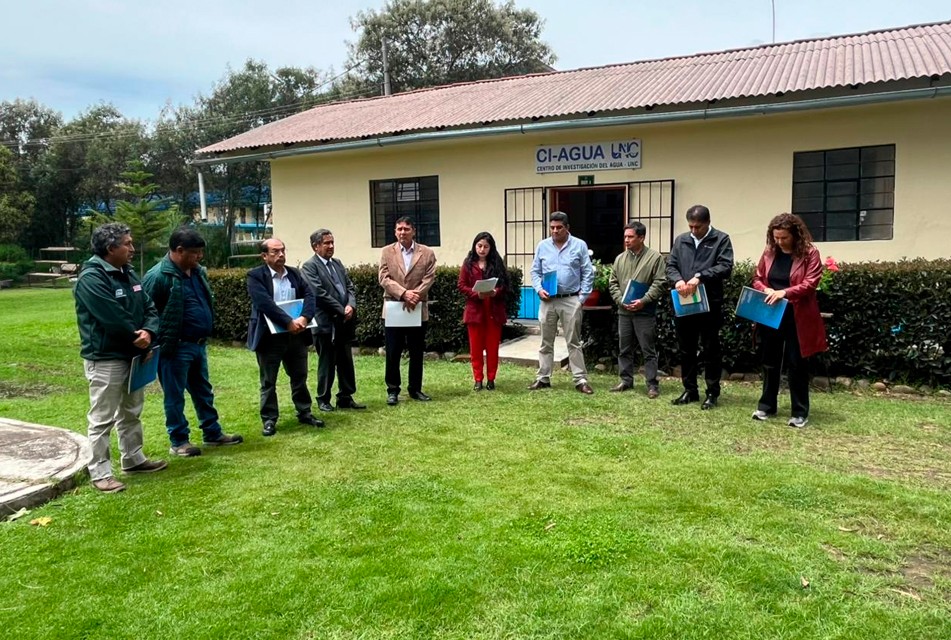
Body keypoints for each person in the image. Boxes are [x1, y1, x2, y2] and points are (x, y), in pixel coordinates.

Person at [74, 222, 167, 493]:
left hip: (134, 355)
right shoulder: (91, 278)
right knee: (102, 417)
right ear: (110, 247)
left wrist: (149, 331)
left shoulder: (128, 273)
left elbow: (148, 305)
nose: (132, 248)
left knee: (131, 410)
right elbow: (111, 317)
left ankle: (133, 458)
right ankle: (101, 472)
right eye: (127, 243)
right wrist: (136, 338)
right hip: (106, 359)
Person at [143, 227, 243, 457]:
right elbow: (146, 312)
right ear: (179, 251)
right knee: (175, 395)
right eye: (195, 252)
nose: (200, 257)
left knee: (203, 391)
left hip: (198, 344)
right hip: (175, 347)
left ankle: (212, 432)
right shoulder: (158, 276)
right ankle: (179, 440)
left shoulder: (198, 272)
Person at [752, 213, 828, 428]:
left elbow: (811, 283)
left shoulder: (810, 253)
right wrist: (765, 288)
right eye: (776, 237)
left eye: (784, 238)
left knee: (797, 364)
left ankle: (799, 412)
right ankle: (766, 406)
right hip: (771, 315)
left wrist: (784, 292)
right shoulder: (769, 253)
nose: (779, 242)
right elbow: (757, 277)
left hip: (797, 316)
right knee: (769, 362)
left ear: (795, 235)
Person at [247, 238, 323, 436]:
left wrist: (305, 318)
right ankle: (269, 419)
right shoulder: (255, 276)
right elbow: (264, 303)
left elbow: (309, 295)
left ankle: (304, 411)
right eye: (275, 252)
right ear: (264, 256)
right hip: (269, 338)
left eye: (282, 251)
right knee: (268, 381)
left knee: (300, 376)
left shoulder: (295, 273)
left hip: (296, 335)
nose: (280, 255)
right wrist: (288, 321)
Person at [666, 204, 734, 409]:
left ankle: (712, 393)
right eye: (691, 226)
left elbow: (725, 266)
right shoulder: (681, 240)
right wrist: (677, 280)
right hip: (684, 303)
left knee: (711, 349)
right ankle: (690, 390)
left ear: (707, 223)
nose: (694, 230)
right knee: (686, 349)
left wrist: (700, 277)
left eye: (698, 227)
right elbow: (670, 265)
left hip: (709, 303)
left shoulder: (721, 239)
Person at [528, 211, 595, 394]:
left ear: (567, 228)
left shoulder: (579, 245)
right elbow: (535, 272)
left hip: (570, 299)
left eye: (559, 227)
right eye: (552, 228)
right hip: (548, 301)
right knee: (545, 341)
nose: (555, 231)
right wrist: (538, 289)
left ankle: (580, 379)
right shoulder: (542, 246)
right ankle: (543, 378)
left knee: (573, 342)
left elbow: (588, 272)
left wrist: (581, 299)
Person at [301, 228, 366, 412]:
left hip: (344, 322)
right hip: (325, 323)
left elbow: (350, 287)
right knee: (327, 362)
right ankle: (323, 398)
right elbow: (318, 293)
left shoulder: (337, 263)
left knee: (346, 361)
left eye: (332, 242)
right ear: (315, 247)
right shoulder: (309, 267)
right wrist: (340, 308)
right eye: (326, 243)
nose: (331, 246)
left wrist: (350, 306)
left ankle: (345, 396)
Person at [378, 216, 437, 405]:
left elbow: (429, 278)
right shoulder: (387, 252)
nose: (402, 232)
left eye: (406, 229)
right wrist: (404, 294)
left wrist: (415, 295)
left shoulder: (426, 253)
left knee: (416, 351)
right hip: (394, 307)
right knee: (393, 351)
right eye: (399, 229)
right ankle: (393, 390)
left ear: (414, 231)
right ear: (395, 232)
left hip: (417, 308)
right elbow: (384, 278)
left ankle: (415, 389)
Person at [607, 221, 667, 398]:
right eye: (625, 236)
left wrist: (644, 300)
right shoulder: (620, 259)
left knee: (648, 350)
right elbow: (613, 283)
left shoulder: (655, 258)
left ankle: (652, 385)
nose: (626, 240)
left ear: (641, 237)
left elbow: (660, 282)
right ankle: (626, 380)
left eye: (630, 237)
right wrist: (620, 300)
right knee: (624, 348)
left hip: (644, 312)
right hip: (624, 312)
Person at [457, 231, 509, 391]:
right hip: (475, 311)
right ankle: (478, 379)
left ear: (491, 248)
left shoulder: (497, 263)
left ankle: (491, 379)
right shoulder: (468, 264)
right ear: (474, 246)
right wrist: (475, 293)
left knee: (493, 348)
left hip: (493, 310)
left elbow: (505, 285)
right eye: (479, 246)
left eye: (486, 246)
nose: (482, 249)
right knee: (476, 348)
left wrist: (496, 292)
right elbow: (461, 285)